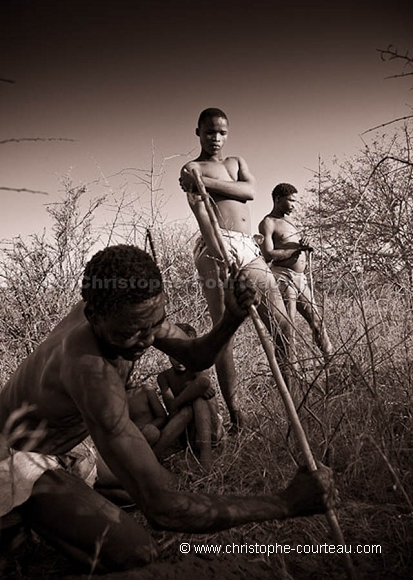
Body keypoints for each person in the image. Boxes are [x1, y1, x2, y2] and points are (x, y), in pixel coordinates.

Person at [0, 244, 336, 572]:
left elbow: (193, 355)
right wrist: (285, 503)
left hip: (66, 448)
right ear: (94, 317)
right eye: (131, 333)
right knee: (137, 550)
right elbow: (163, 510)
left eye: (154, 325)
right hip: (12, 459)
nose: (147, 340)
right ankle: (20, 518)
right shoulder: (90, 368)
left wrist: (231, 319)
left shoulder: (126, 310)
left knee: (144, 486)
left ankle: (51, 506)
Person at [180, 108, 294, 426]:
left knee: (282, 324)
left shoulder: (235, 163)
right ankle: (236, 415)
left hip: (248, 246)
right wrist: (219, 252)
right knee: (223, 332)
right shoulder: (191, 166)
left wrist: (204, 183)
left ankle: (293, 400)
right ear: (198, 132)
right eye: (209, 132)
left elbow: (251, 191)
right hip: (215, 244)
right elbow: (202, 213)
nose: (216, 138)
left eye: (222, 132)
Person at [258, 183, 333, 369]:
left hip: (301, 279)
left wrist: (306, 245)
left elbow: (296, 246)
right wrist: (294, 252)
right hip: (283, 277)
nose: (294, 205)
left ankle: (332, 364)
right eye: (290, 200)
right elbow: (267, 255)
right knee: (287, 327)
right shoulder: (268, 222)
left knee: (317, 321)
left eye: (295, 201)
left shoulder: (291, 222)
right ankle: (290, 370)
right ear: (278, 199)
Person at [156, 323, 223, 470]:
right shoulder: (164, 377)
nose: (179, 360)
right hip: (187, 435)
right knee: (188, 409)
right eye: (174, 354)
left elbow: (204, 382)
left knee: (199, 401)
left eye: (184, 354)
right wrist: (191, 390)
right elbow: (172, 409)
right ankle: (154, 454)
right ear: (167, 352)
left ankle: (206, 454)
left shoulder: (198, 369)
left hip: (211, 431)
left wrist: (184, 396)